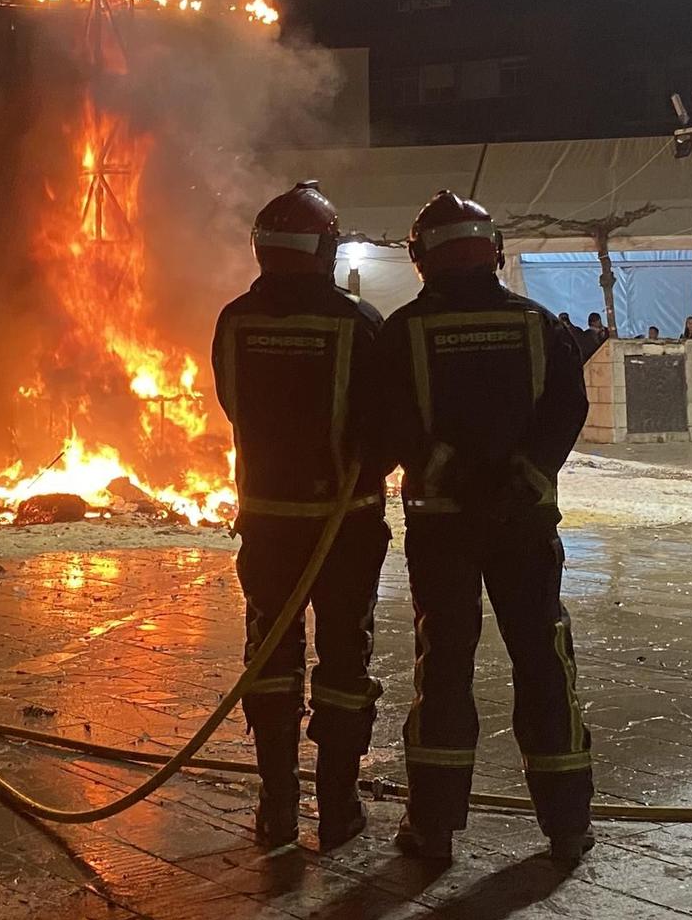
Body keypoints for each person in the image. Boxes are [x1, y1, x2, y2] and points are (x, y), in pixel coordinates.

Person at [375, 192, 593, 868]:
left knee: (443, 667)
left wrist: (448, 470)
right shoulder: (539, 325)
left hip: (443, 527)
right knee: (543, 660)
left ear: (421, 258)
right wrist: (521, 478)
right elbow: (568, 408)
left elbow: (389, 421)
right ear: (493, 251)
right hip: (524, 526)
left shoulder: (403, 330)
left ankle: (433, 827)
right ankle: (565, 825)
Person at [211, 182, 389, 852]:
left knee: (271, 655)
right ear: (325, 247)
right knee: (345, 661)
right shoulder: (358, 322)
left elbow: (233, 404)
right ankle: (337, 809)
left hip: (267, 523)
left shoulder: (234, 320)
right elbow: (384, 425)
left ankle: (277, 808)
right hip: (345, 527)